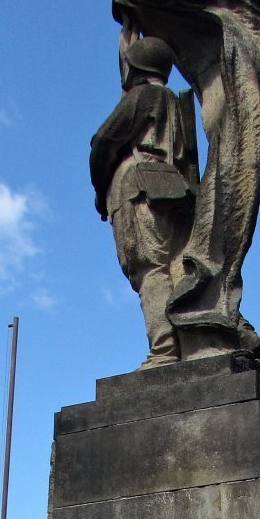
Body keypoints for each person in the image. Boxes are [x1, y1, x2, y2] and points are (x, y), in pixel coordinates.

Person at [89, 36, 198, 367]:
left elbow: (103, 142)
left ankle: (164, 349)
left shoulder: (144, 96)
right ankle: (190, 341)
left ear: (136, 66)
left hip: (138, 187)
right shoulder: (180, 106)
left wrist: (100, 186)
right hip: (176, 191)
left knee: (149, 269)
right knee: (178, 267)